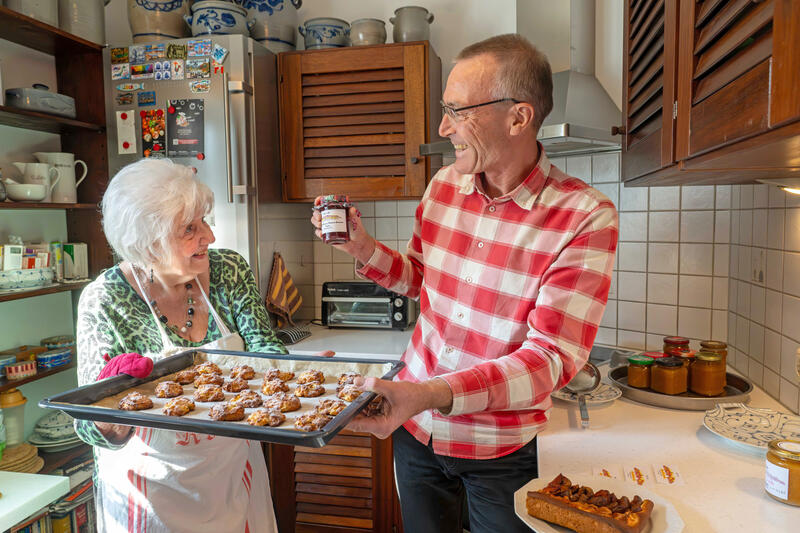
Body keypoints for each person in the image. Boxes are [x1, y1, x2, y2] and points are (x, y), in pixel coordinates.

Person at [310, 34, 618, 533]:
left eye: (457, 110)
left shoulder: (584, 215)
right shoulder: (443, 187)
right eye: (444, 110)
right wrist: (362, 248)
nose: (443, 127)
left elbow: (552, 359)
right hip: (417, 431)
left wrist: (430, 393)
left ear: (518, 118)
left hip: (500, 449)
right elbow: (422, 279)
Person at [74, 158, 287, 532]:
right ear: (147, 242)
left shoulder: (229, 270)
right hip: (148, 494)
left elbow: (265, 350)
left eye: (204, 221)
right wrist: (109, 405)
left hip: (231, 477)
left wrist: (297, 372)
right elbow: (89, 429)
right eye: (190, 228)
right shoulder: (105, 300)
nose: (210, 236)